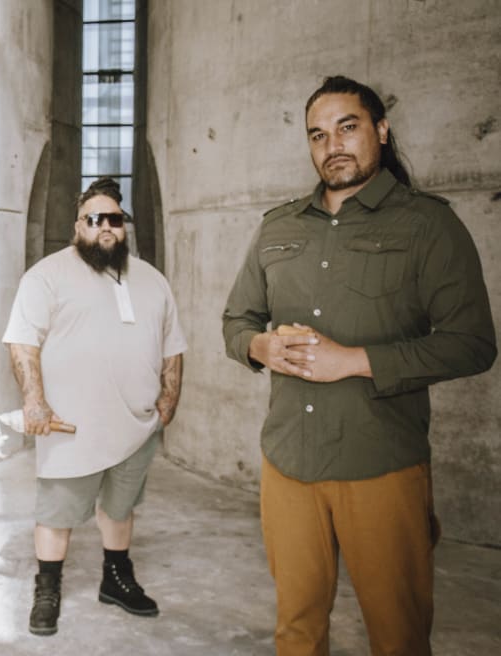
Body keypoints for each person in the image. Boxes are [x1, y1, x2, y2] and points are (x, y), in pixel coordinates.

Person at [222, 76, 497, 655]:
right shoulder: (279, 226)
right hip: (288, 463)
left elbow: (472, 343)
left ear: (381, 130)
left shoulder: (428, 225)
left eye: (348, 127)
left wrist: (355, 361)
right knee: (296, 629)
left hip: (381, 467)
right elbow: (236, 321)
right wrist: (259, 347)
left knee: (397, 634)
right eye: (318, 135)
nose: (333, 145)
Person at [2, 177, 187, 636]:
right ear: (77, 227)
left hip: (136, 426)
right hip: (71, 427)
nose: (106, 226)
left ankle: (115, 578)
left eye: (115, 219)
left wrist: (168, 400)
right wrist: (35, 402)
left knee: (121, 508)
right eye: (95, 219)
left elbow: (172, 345)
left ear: (124, 226)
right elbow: (23, 342)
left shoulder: (151, 279)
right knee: (57, 513)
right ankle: (47, 588)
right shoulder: (47, 275)